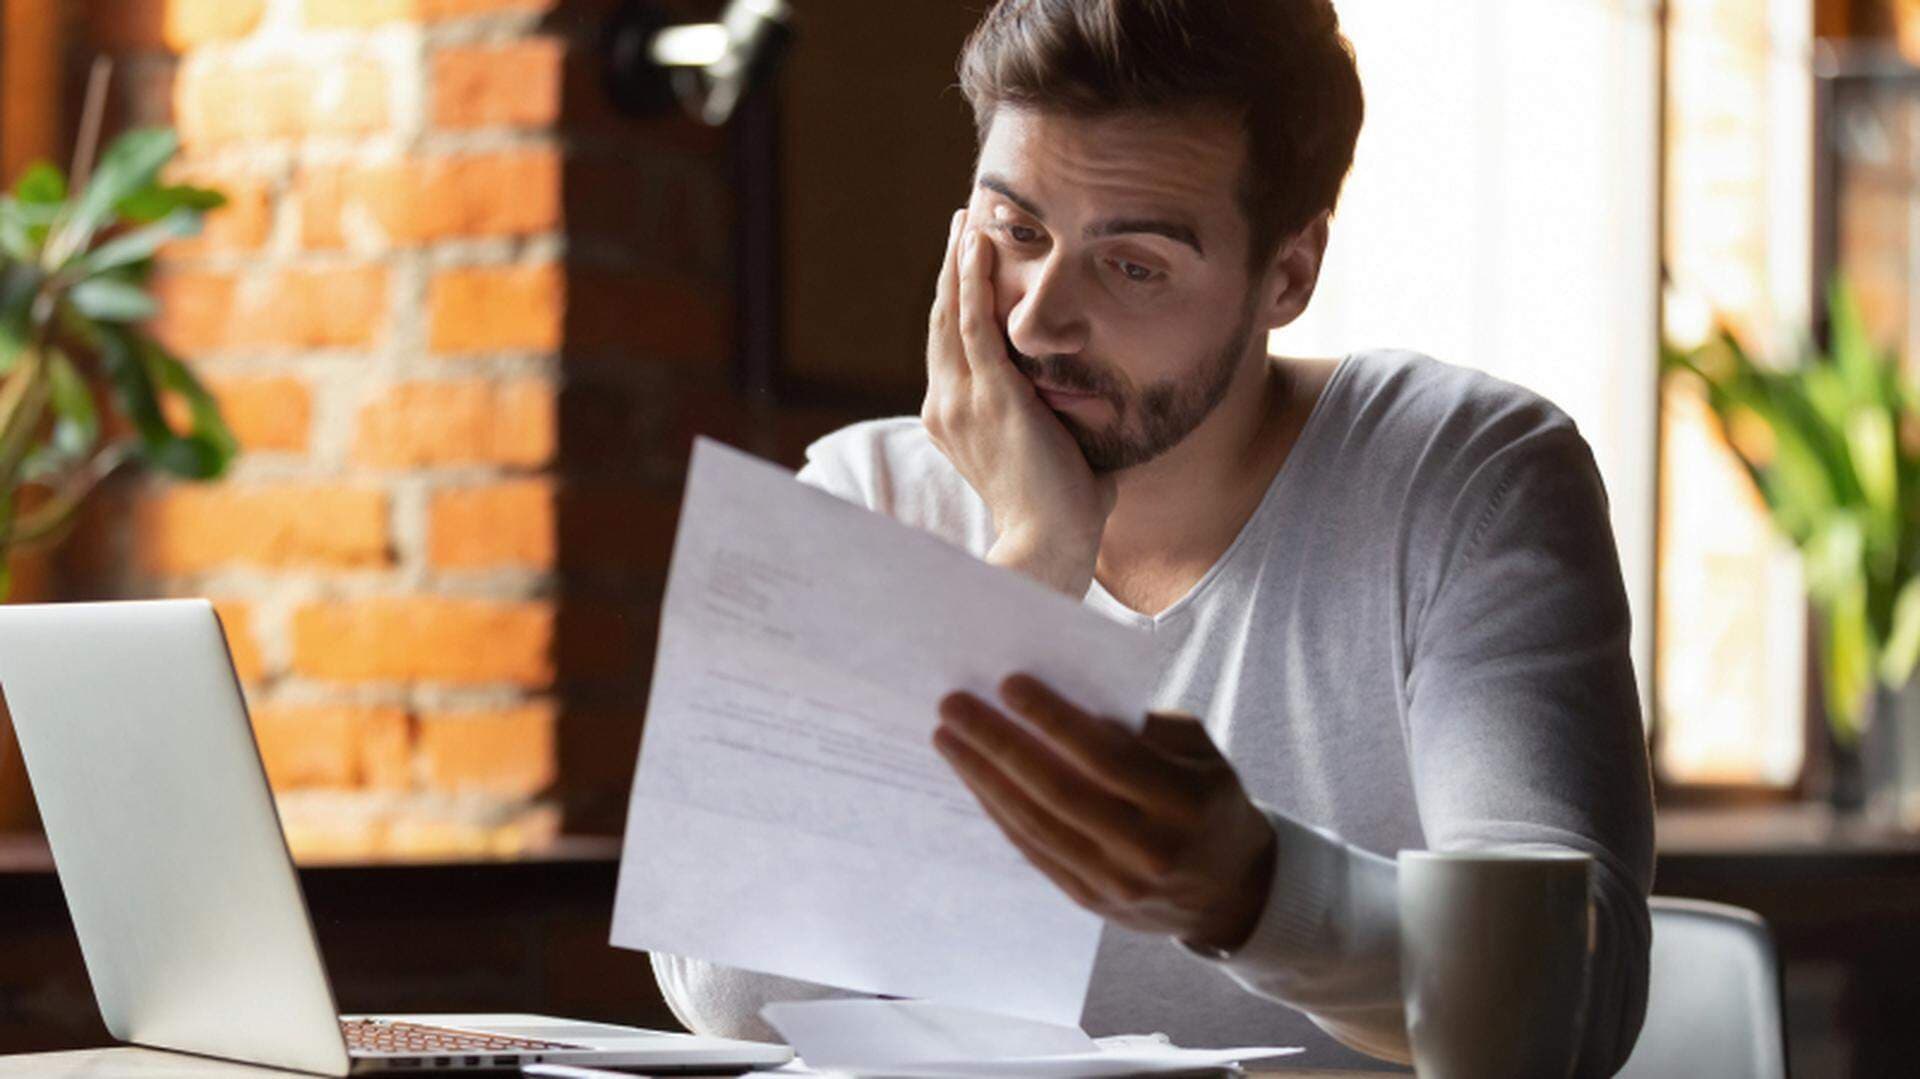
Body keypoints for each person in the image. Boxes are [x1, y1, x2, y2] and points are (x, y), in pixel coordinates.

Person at [652, 0, 1654, 1072]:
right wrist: (1030, 563)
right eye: (1017, 233)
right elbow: (730, 992)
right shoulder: (869, 491)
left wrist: (1252, 894)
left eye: (1132, 265)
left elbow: (1569, 1003)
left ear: (1287, 275)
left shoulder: (1469, 476)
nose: (1035, 320)